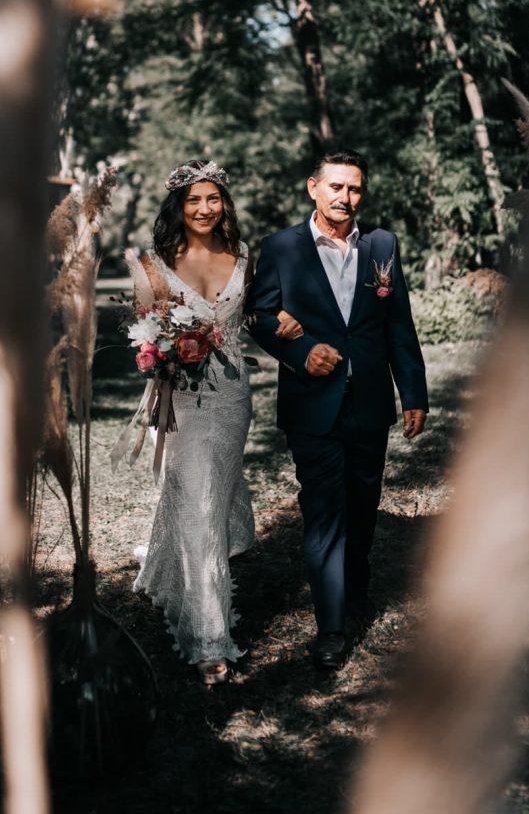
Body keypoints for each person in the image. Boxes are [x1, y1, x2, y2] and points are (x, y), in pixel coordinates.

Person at [245, 148, 428, 670]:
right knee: (324, 512)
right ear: (313, 188)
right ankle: (331, 625)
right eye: (337, 187)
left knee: (363, 505)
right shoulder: (280, 247)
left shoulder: (381, 246)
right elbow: (258, 316)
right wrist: (301, 354)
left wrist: (412, 393)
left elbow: (398, 326)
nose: (346, 198)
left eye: (355, 189)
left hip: (371, 402)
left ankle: (355, 593)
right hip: (313, 406)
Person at [126, 158, 294, 685]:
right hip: (180, 395)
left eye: (213, 198)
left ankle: (163, 571)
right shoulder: (151, 264)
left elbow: (256, 314)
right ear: (178, 205)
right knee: (198, 503)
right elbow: (145, 335)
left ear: (224, 203)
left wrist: (284, 321)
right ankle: (209, 638)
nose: (204, 208)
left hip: (232, 394)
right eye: (194, 199)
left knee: (209, 497)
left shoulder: (243, 254)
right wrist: (165, 351)